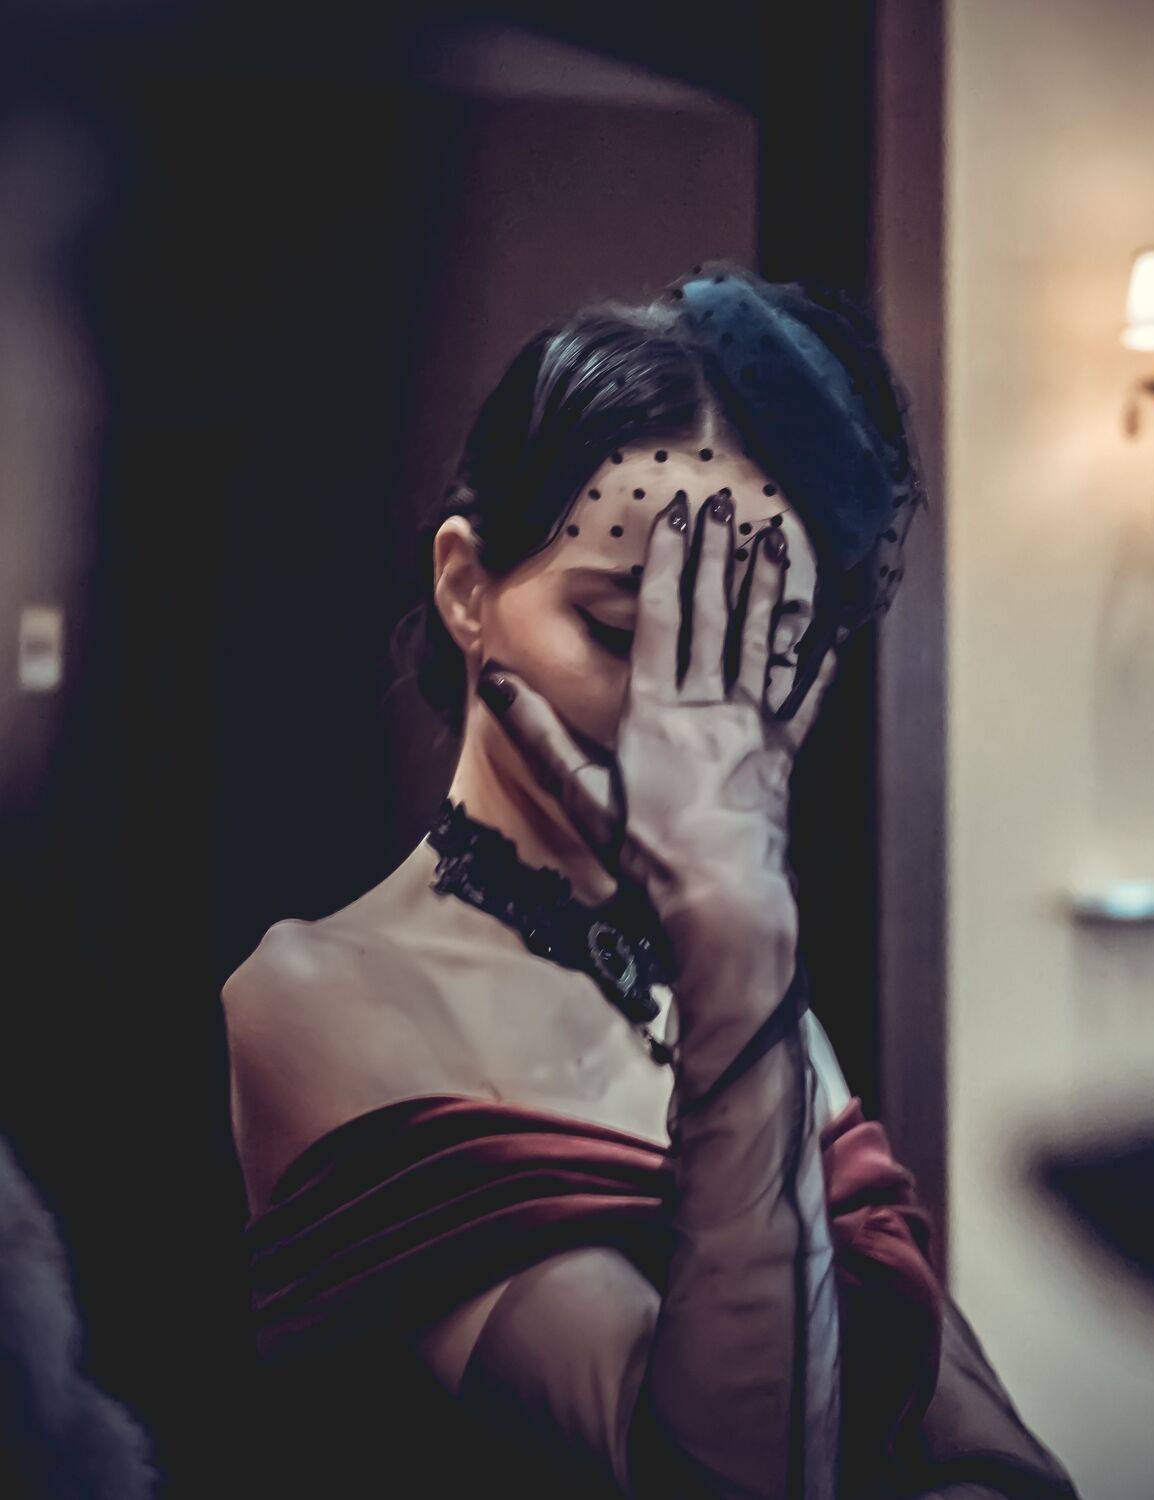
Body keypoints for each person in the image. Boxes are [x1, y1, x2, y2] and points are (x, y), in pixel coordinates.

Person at [223, 261, 1076, 1500]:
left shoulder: (731, 987)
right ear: (466, 587)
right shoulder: (316, 994)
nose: (689, 724)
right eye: (622, 633)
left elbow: (975, 1435)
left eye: (750, 655)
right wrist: (738, 948)